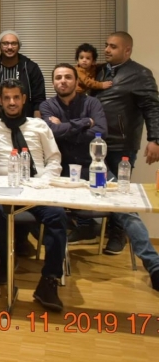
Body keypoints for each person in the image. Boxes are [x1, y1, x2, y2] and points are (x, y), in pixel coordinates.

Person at [40, 64, 159, 289]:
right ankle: (55, 270)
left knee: (127, 209)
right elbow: (53, 132)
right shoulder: (47, 106)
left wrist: (66, 128)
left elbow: (101, 132)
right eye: (58, 77)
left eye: (68, 77)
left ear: (76, 81)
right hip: (62, 172)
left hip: (95, 168)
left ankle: (154, 266)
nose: (63, 81)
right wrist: (86, 122)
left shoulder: (92, 103)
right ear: (53, 82)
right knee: (54, 214)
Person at [0, 79, 67, 312]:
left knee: (58, 216)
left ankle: (49, 281)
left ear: (23, 99)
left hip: (37, 187)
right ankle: (6, 259)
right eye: (7, 98)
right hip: (3, 188)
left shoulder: (39, 126)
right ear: (0, 100)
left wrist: (42, 181)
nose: (11, 102)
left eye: (16, 97)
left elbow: (54, 159)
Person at [93, 31, 159, 179]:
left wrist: (155, 140)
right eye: (106, 45)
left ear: (127, 50)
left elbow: (152, 108)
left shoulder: (140, 74)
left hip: (121, 146)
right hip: (96, 141)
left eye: (113, 47)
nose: (106, 50)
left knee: (118, 188)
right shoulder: (98, 71)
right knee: (96, 185)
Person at [0, 30, 45, 118]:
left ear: (19, 46)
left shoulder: (31, 67)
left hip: (26, 119)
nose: (10, 47)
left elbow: (39, 100)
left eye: (14, 43)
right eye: (5, 43)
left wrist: (36, 122)